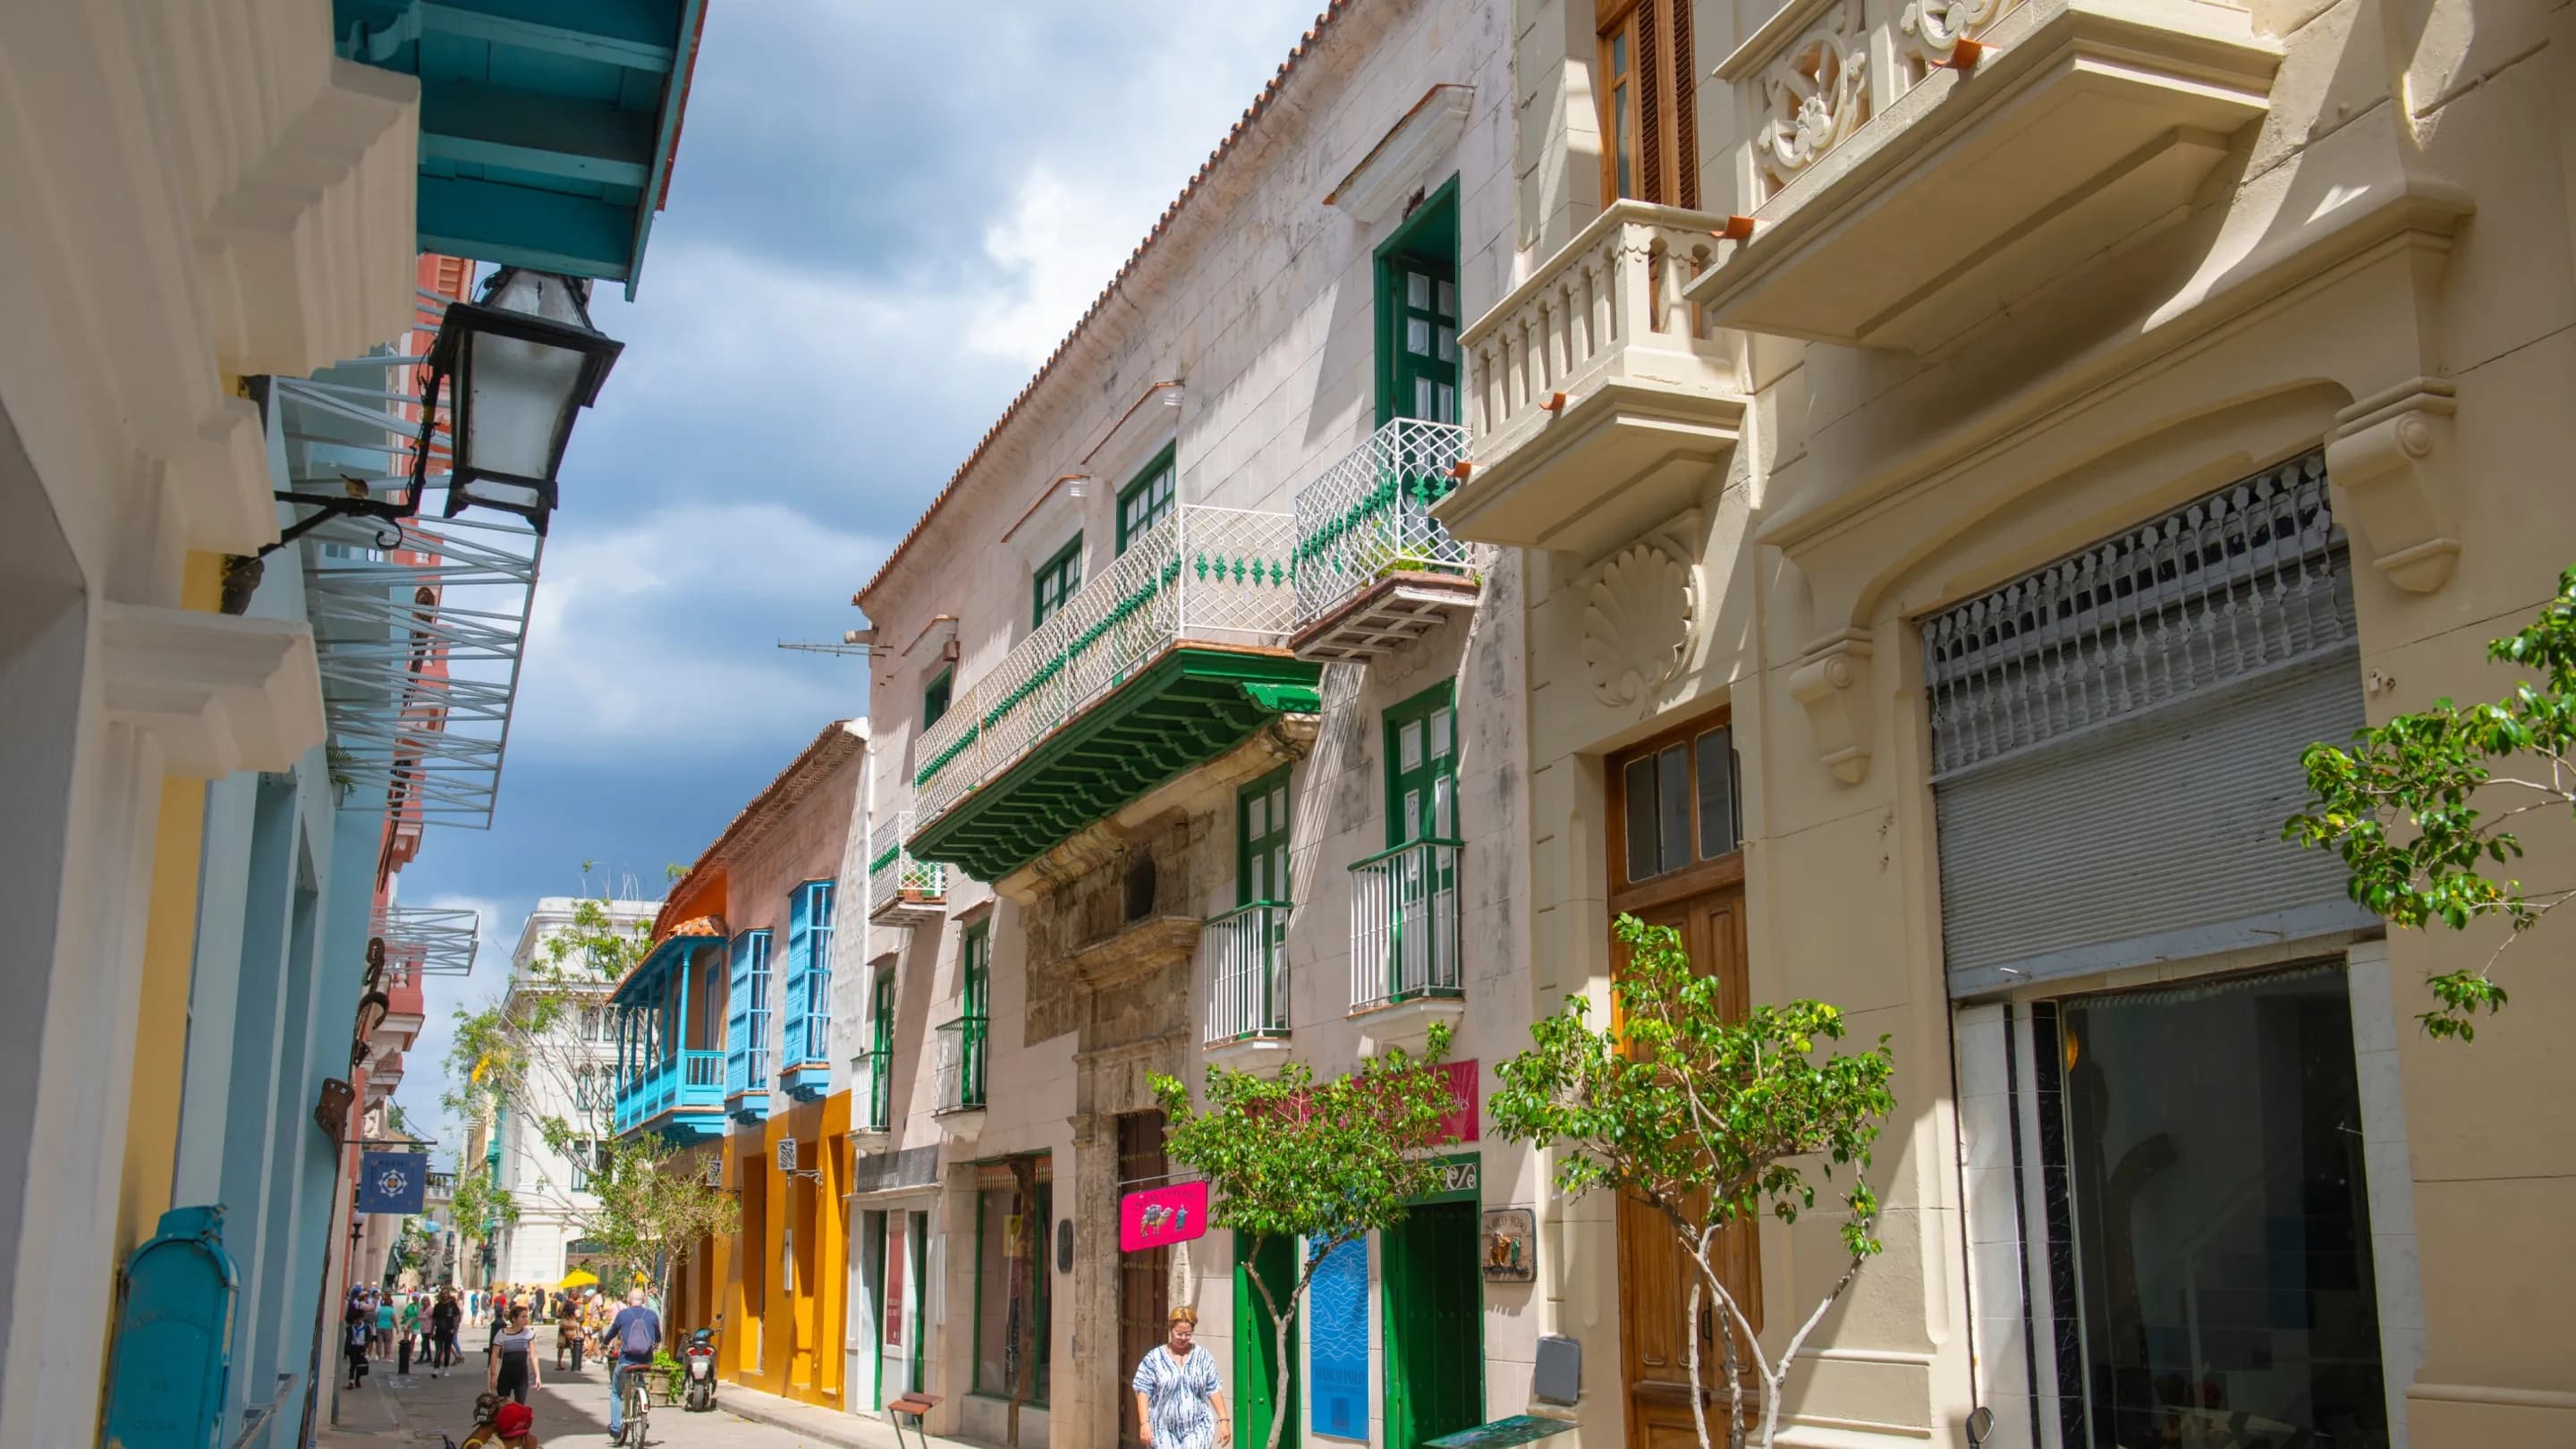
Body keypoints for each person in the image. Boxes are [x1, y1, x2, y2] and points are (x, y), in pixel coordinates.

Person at [1131, 1305, 1230, 1449]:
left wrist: (1224, 1420)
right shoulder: (1154, 1358)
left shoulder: (1203, 1357)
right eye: (1179, 1333)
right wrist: (1144, 1423)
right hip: (1162, 1427)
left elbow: (1213, 1388)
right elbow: (1143, 1390)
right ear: (1171, 1330)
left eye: (1188, 1334)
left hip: (1197, 1425)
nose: (1183, 1338)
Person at [604, 1285, 662, 1445]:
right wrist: (654, 1346)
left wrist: (605, 1343)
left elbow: (612, 1332)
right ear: (644, 1300)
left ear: (629, 1300)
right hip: (646, 1361)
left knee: (616, 1392)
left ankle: (616, 1429)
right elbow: (658, 1338)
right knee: (640, 1378)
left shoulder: (623, 1315)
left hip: (626, 1361)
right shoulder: (651, 1315)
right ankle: (643, 1398)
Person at [488, 1304, 540, 1405]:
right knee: (503, 1406)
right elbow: (494, 1355)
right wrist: (493, 1376)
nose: (526, 1319)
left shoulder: (529, 1334)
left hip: (521, 1376)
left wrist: (537, 1376)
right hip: (505, 1375)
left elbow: (533, 1355)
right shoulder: (502, 1333)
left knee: (520, 1406)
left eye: (527, 1316)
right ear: (514, 1319)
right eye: (523, 1317)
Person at [431, 1290, 462, 1376]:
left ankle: (446, 1368)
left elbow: (457, 1317)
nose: (444, 1295)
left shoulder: (452, 1305)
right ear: (440, 1295)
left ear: (449, 1295)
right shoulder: (437, 1306)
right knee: (438, 1351)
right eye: (443, 1293)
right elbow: (434, 1320)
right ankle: (436, 1368)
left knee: (447, 1350)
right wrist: (432, 1331)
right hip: (439, 1331)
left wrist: (455, 1328)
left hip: (449, 1331)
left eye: (446, 1293)